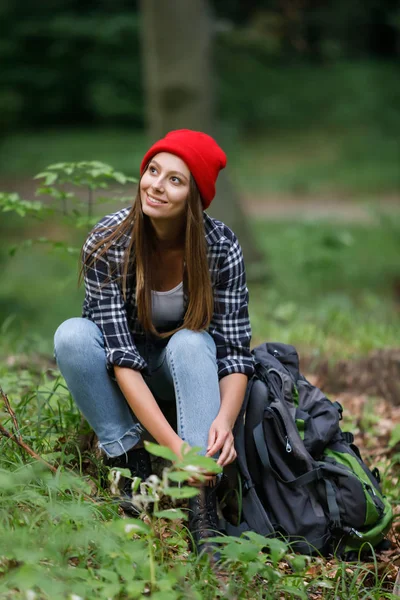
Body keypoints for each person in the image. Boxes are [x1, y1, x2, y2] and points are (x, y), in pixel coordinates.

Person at [54, 129, 254, 557]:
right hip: (120, 379)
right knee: (72, 335)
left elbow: (235, 350)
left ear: (194, 198)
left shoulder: (219, 246)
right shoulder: (109, 241)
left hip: (182, 372)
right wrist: (174, 448)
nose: (156, 186)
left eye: (175, 180)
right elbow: (120, 358)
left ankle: (201, 508)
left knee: (192, 340)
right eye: (152, 170)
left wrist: (224, 418)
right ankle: (129, 463)